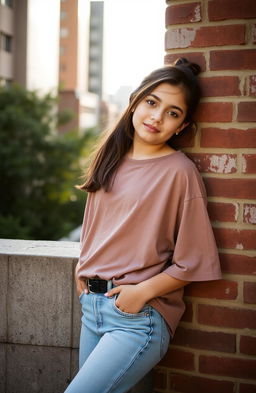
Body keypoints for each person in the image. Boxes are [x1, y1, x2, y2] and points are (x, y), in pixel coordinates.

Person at [65, 58, 222, 393]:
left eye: (173, 112)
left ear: (181, 127)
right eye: (152, 102)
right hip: (92, 308)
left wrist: (143, 292)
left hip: (137, 317)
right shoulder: (111, 159)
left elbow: (195, 259)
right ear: (135, 100)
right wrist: (83, 265)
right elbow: (98, 226)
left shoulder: (179, 172)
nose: (157, 117)